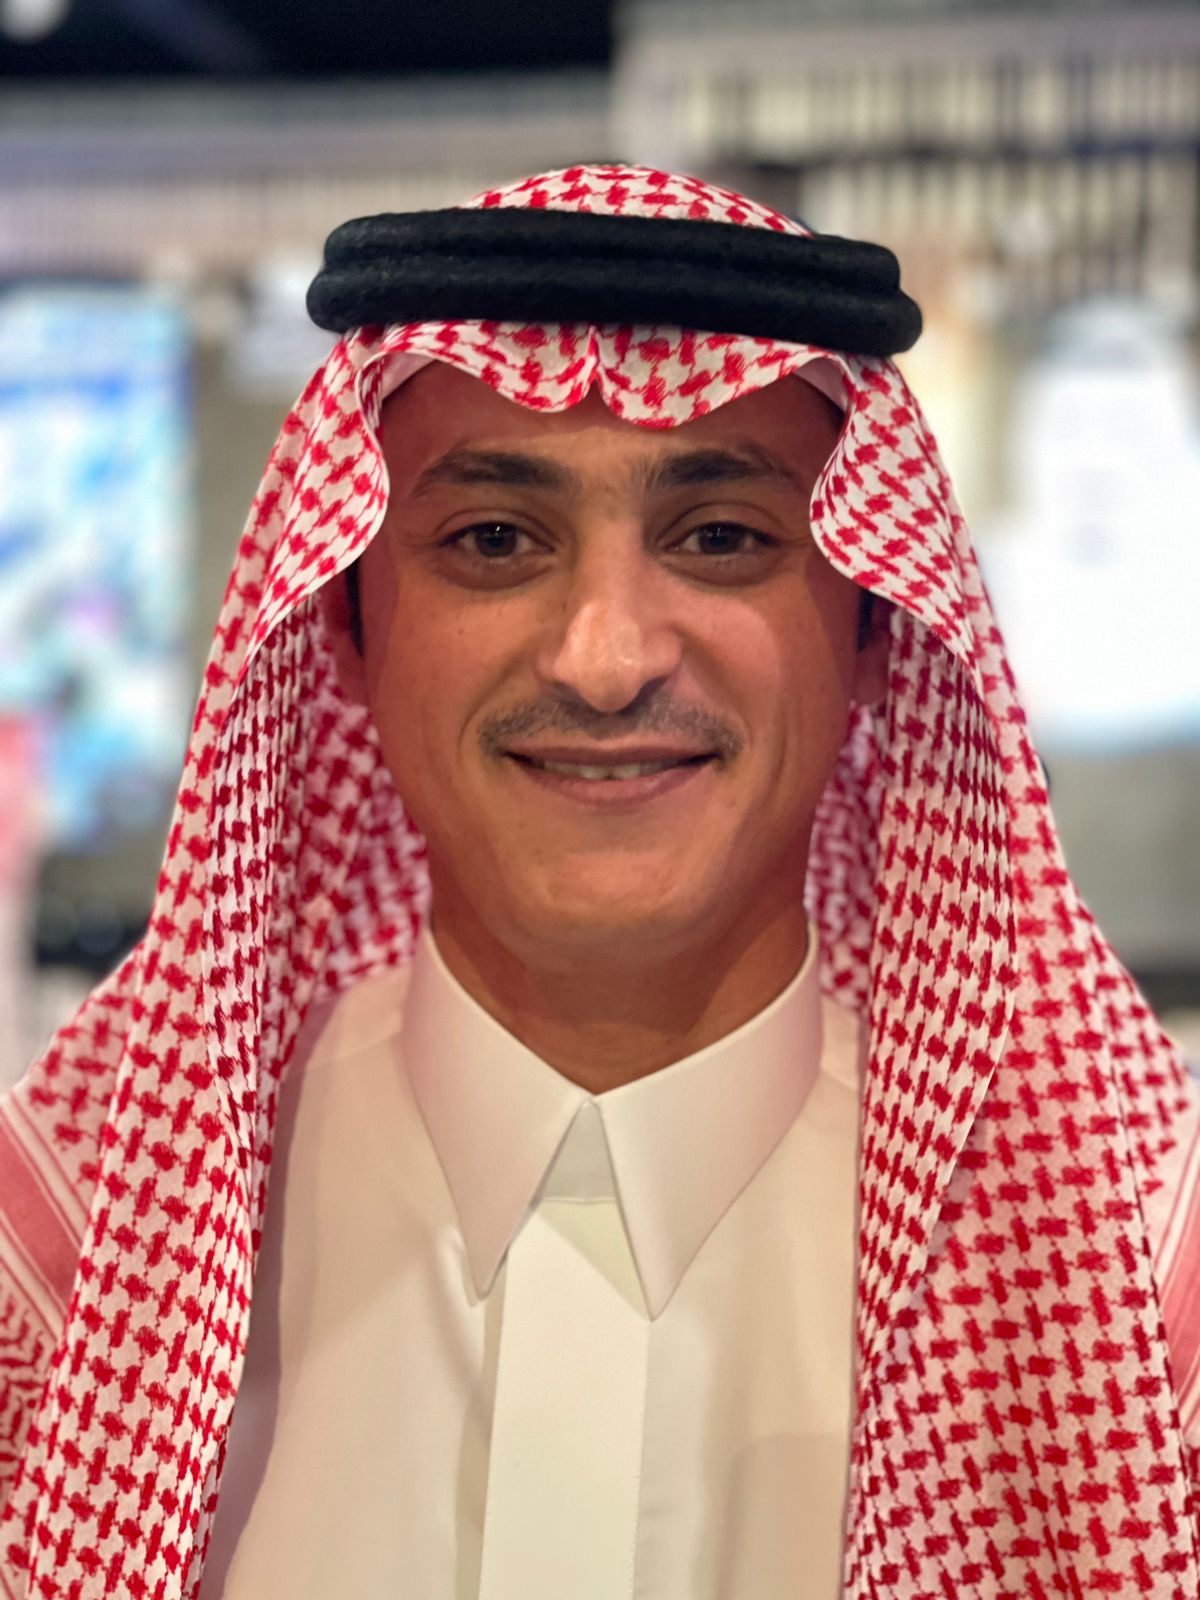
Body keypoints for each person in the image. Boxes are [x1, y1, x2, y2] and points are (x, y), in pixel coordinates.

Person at [0, 164, 1196, 1600]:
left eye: (722, 538)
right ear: (343, 631)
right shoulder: (58, 1272)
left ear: (878, 630)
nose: (607, 658)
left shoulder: (1147, 1298)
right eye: (494, 541)